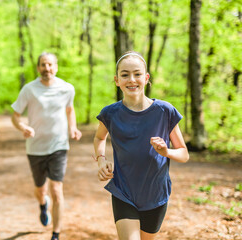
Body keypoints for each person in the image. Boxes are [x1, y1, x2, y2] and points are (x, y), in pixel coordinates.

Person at [93, 51, 189, 240]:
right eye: (125, 74)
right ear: (117, 80)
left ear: (146, 78)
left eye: (137, 74)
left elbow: (184, 154)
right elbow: (99, 138)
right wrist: (101, 161)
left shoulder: (165, 111)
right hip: (124, 192)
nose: (131, 79)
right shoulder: (110, 114)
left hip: (156, 193)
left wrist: (165, 151)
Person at [11, 52, 82, 240]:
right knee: (40, 189)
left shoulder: (67, 88)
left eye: (50, 64)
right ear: (38, 68)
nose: (47, 68)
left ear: (56, 67)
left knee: (57, 190)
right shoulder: (29, 89)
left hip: (59, 145)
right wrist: (22, 127)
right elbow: (15, 115)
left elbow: (70, 109)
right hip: (35, 147)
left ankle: (56, 234)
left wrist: (73, 128)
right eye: (43, 65)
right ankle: (43, 204)